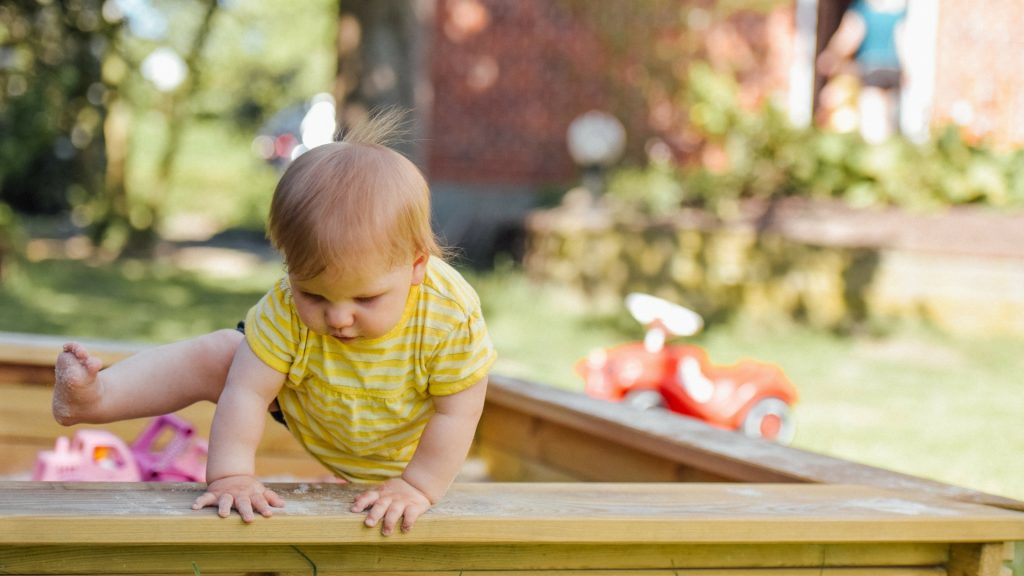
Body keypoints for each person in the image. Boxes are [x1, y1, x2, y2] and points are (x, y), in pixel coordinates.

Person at [52, 109, 497, 536]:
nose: (338, 317)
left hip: (406, 442)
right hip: (316, 402)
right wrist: (230, 476)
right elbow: (246, 392)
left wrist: (417, 486)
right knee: (224, 354)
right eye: (314, 295)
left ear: (417, 266)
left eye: (366, 298)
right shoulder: (284, 306)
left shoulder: (447, 315)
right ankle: (97, 397)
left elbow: (458, 411)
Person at [816, 0, 908, 143]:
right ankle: (888, 147)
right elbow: (902, 40)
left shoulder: (864, 9)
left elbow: (849, 35)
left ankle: (874, 151)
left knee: (872, 117)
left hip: (871, 66)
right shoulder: (899, 11)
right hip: (893, 68)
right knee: (889, 118)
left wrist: (833, 54)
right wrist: (906, 69)